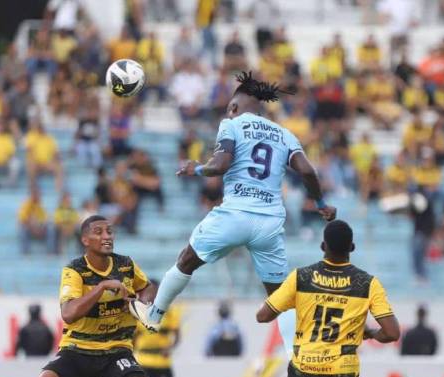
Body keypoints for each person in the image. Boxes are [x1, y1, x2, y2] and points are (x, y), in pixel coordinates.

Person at [130, 72, 336, 358]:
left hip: (235, 214)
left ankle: (154, 314)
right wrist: (320, 202)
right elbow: (307, 171)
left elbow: (220, 164)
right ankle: (295, 356)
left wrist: (196, 169)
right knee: (278, 294)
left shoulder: (232, 123)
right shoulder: (285, 134)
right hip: (269, 222)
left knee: (186, 260)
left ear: (235, 107)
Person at [4, 216, 184, 377]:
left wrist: (143, 304)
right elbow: (68, 313)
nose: (107, 236)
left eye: (109, 231)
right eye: (99, 232)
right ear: (85, 240)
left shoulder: (126, 265)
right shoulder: (74, 270)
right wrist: (101, 287)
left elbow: (146, 287)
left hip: (116, 352)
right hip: (77, 351)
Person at [255, 220, 400, 377]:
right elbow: (392, 333)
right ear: (352, 248)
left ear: (323, 246)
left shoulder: (301, 277)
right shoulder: (367, 284)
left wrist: (296, 303)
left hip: (305, 365)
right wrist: (370, 333)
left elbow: (262, 316)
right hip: (342, 370)